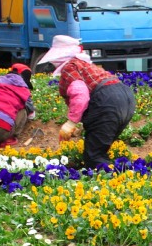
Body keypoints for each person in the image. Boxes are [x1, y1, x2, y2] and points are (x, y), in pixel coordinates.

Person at [41, 34, 137, 169]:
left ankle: (121, 180)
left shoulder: (69, 68)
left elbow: (81, 95)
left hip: (107, 101)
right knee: (99, 147)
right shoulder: (85, 64)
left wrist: (71, 122)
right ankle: (125, 173)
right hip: (126, 98)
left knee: (93, 157)